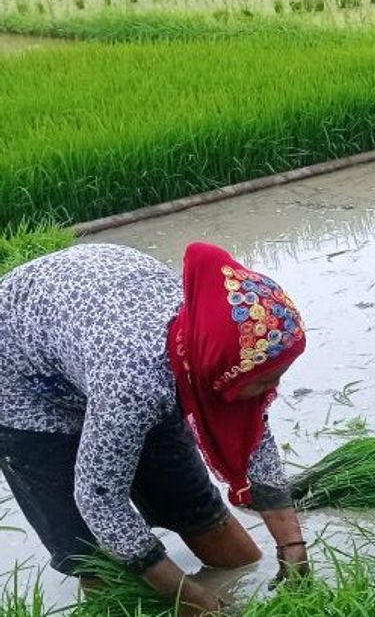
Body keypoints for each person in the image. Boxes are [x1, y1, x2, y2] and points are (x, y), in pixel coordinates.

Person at [0, 242, 310, 615]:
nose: (270, 390)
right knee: (92, 550)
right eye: (264, 382)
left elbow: (254, 435)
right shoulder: (136, 380)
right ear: (218, 364)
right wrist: (200, 603)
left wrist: (293, 550)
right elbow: (99, 499)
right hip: (21, 380)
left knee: (194, 506)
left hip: (100, 336)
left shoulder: (213, 343)